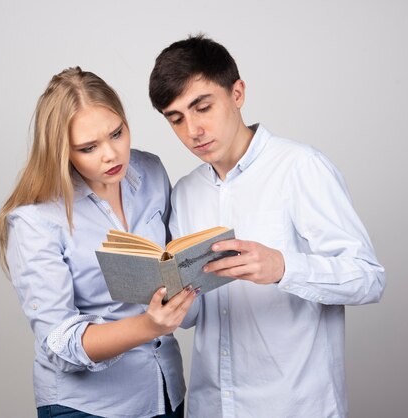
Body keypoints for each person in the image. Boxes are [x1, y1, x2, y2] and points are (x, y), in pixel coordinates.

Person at [148, 35, 386, 418]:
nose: (192, 130)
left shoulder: (300, 167)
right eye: (176, 119)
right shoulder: (186, 192)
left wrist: (283, 267)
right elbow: (194, 317)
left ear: (237, 93)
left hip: (294, 405)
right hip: (211, 406)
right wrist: (166, 305)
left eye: (202, 107)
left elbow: (369, 278)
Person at [0, 67, 197, 418]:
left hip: (165, 391)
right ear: (61, 151)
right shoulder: (35, 219)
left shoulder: (150, 171)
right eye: (88, 147)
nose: (111, 155)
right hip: (89, 407)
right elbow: (59, 344)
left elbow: (169, 262)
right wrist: (148, 326)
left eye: (117, 134)